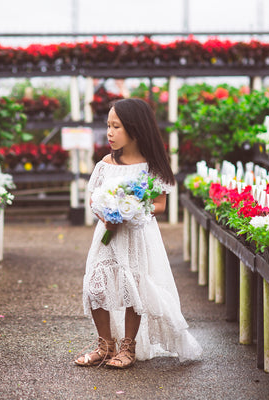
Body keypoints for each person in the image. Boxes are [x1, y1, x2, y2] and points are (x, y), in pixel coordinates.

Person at [74, 98, 202, 369]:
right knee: (96, 282)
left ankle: (127, 347)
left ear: (135, 128)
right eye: (108, 126)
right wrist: (107, 215)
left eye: (116, 126)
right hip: (107, 235)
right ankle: (105, 344)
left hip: (137, 235)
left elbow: (159, 205)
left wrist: (129, 212)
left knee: (133, 284)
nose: (109, 132)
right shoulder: (106, 163)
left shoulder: (150, 166)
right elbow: (95, 198)